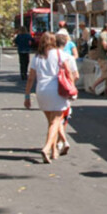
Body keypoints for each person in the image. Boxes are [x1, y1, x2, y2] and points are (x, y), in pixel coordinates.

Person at [24, 33, 75, 163]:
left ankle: (54, 151)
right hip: (57, 91)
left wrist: (27, 95)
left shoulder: (36, 57)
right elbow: (69, 72)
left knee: (51, 123)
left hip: (41, 91)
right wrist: (73, 88)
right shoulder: (60, 54)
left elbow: (31, 78)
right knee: (55, 121)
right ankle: (46, 148)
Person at [54, 33, 79, 156]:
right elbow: (76, 75)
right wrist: (73, 85)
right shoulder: (69, 57)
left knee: (54, 118)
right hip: (67, 90)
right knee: (64, 117)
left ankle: (59, 141)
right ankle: (60, 141)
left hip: (54, 89)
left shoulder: (50, 56)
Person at [89, 24, 107, 93]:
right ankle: (94, 86)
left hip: (102, 57)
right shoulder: (104, 35)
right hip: (104, 58)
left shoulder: (102, 34)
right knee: (106, 75)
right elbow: (105, 46)